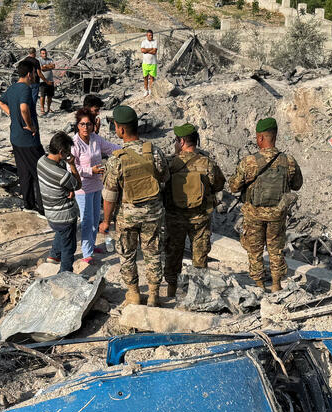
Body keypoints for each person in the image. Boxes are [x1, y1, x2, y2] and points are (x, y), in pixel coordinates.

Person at [100, 105, 168, 306]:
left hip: (127, 217)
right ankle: (154, 294)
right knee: (153, 253)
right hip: (153, 214)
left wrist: (106, 221)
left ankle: (134, 293)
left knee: (127, 255)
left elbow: (110, 195)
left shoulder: (116, 159)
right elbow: (165, 177)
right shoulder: (154, 151)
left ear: (120, 129)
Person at [227, 117, 303, 292]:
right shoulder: (288, 161)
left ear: (260, 138)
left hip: (254, 214)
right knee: (275, 250)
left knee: (254, 251)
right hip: (277, 214)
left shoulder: (249, 162)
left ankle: (260, 285)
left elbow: (233, 186)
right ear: (275, 136)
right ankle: (276, 284)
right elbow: (297, 185)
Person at [164, 123, 225, 299]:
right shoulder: (207, 163)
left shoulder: (170, 163)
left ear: (181, 141)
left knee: (173, 252)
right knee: (200, 255)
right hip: (200, 218)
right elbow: (219, 184)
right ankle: (198, 294)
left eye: (176, 141)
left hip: (174, 217)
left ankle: (171, 290)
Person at [71, 108, 119, 265]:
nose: (85, 127)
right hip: (82, 187)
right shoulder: (74, 143)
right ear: (77, 125)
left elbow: (111, 148)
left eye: (88, 124)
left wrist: (128, 149)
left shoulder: (95, 139)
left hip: (97, 184)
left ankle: (91, 246)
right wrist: (89, 171)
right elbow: (72, 168)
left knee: (94, 218)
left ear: (93, 125)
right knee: (86, 219)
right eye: (82, 124)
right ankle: (86, 252)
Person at [0, 61, 44, 214]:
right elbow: (24, 108)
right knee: (40, 172)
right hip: (28, 139)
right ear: (30, 73)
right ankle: (42, 209)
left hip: (16, 138)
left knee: (24, 172)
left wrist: (12, 113)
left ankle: (28, 204)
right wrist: (30, 125)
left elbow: (0, 101)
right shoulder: (25, 88)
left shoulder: (12, 88)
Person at [38, 132, 82, 272]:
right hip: (64, 215)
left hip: (50, 212)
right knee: (69, 247)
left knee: (60, 232)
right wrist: (72, 165)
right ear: (62, 152)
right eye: (67, 152)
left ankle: (54, 255)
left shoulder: (41, 162)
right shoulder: (62, 175)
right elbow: (77, 185)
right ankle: (65, 274)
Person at [38, 48, 56, 115]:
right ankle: (42, 109)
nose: (44, 54)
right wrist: (48, 66)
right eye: (43, 53)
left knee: (50, 96)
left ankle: (48, 108)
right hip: (42, 81)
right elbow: (41, 68)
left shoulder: (50, 59)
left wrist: (45, 66)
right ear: (40, 54)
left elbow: (53, 66)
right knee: (42, 95)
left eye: (45, 53)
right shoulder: (39, 60)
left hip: (50, 80)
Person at [140, 30, 158, 97]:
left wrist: (146, 50)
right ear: (146, 36)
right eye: (149, 35)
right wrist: (150, 49)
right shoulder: (143, 42)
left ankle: (150, 90)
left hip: (153, 63)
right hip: (145, 63)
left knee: (152, 77)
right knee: (145, 77)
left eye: (151, 35)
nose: (151, 36)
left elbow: (154, 52)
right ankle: (146, 90)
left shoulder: (155, 42)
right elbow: (142, 50)